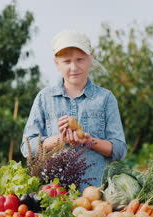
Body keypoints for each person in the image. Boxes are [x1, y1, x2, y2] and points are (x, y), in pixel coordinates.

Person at [20, 30, 127, 191]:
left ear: (90, 58)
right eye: (67, 61)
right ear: (57, 63)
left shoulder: (105, 99)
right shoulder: (44, 98)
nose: (74, 67)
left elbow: (119, 150)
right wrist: (59, 140)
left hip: (95, 197)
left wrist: (89, 141)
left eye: (80, 60)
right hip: (54, 196)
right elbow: (27, 148)